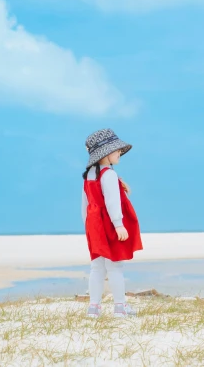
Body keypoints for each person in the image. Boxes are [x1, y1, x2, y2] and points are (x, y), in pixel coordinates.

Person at [81, 128, 143, 318]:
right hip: (108, 223)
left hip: (94, 224)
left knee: (97, 267)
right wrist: (118, 224)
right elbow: (112, 202)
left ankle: (94, 307)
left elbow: (85, 204)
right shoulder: (108, 175)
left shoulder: (89, 175)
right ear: (106, 153)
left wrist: (87, 225)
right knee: (115, 265)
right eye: (117, 150)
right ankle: (119, 306)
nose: (119, 153)